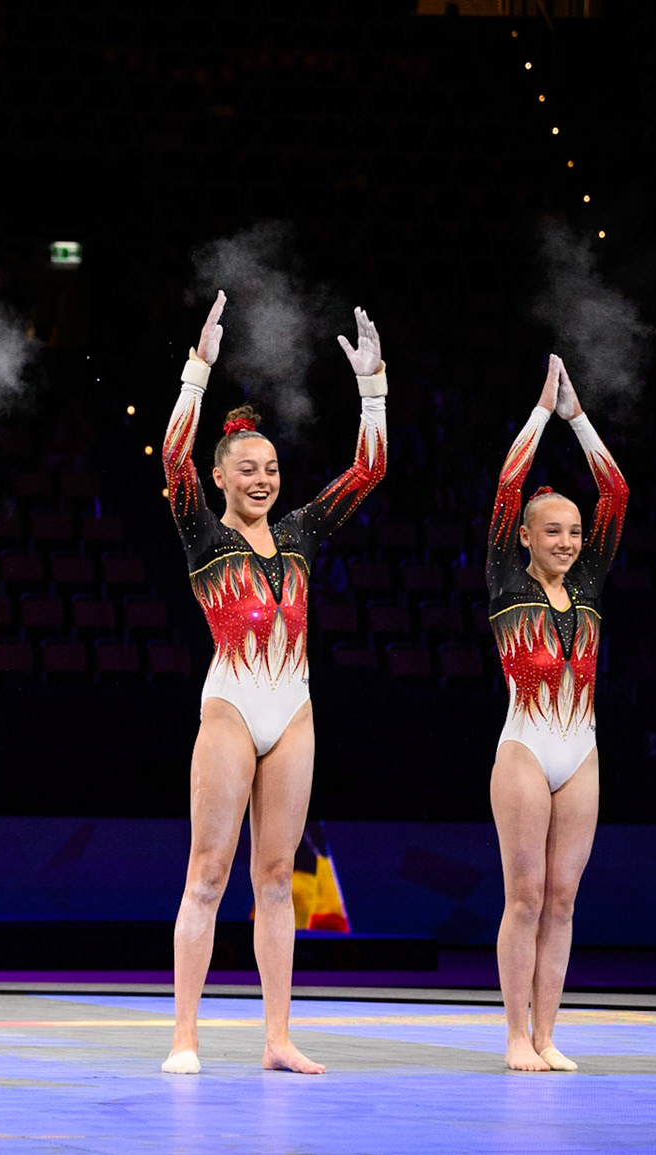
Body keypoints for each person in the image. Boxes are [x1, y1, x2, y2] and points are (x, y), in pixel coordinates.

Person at [159, 292, 387, 1075]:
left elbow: (369, 470)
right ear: (220, 476)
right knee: (209, 872)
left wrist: (373, 388)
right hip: (229, 709)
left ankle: (278, 1038)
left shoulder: (298, 533)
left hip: (293, 712)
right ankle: (185, 1035)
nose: (262, 480)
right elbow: (170, 459)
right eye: (247, 470)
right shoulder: (203, 533)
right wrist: (198, 373)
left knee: (276, 880)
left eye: (272, 469)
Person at [488, 355, 627, 1072]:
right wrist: (544, 413)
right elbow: (510, 485)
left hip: (582, 753)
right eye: (552, 532)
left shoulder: (592, 584)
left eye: (574, 532)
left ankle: (548, 1035)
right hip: (524, 750)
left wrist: (580, 417)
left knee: (565, 900)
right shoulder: (507, 581)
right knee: (528, 894)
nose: (568, 542)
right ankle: (515, 1035)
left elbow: (617, 491)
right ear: (524, 537)